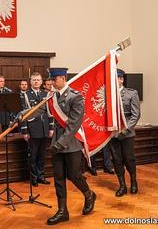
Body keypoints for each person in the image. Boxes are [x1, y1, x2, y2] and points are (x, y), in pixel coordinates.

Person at [46, 68, 96, 225]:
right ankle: (62, 211)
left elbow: (74, 125)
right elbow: (39, 110)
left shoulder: (76, 97)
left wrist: (60, 143)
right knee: (58, 177)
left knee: (74, 175)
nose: (52, 83)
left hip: (71, 143)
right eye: (51, 80)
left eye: (54, 80)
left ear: (62, 78)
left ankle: (89, 195)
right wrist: (22, 114)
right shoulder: (52, 97)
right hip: (57, 143)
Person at [108, 68, 140, 197]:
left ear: (121, 79)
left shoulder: (131, 94)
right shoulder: (108, 95)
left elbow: (135, 115)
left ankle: (133, 182)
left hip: (127, 132)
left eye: (117, 78)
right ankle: (122, 185)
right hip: (112, 133)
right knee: (117, 160)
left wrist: (126, 130)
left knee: (129, 159)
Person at [20, 72, 54, 187]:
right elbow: (23, 114)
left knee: (42, 155)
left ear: (41, 82)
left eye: (38, 80)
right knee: (33, 155)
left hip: (44, 128)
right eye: (34, 80)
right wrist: (25, 131)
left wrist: (51, 128)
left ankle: (41, 176)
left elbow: (50, 113)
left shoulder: (46, 94)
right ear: (30, 82)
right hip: (32, 129)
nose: (36, 82)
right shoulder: (26, 95)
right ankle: (33, 178)